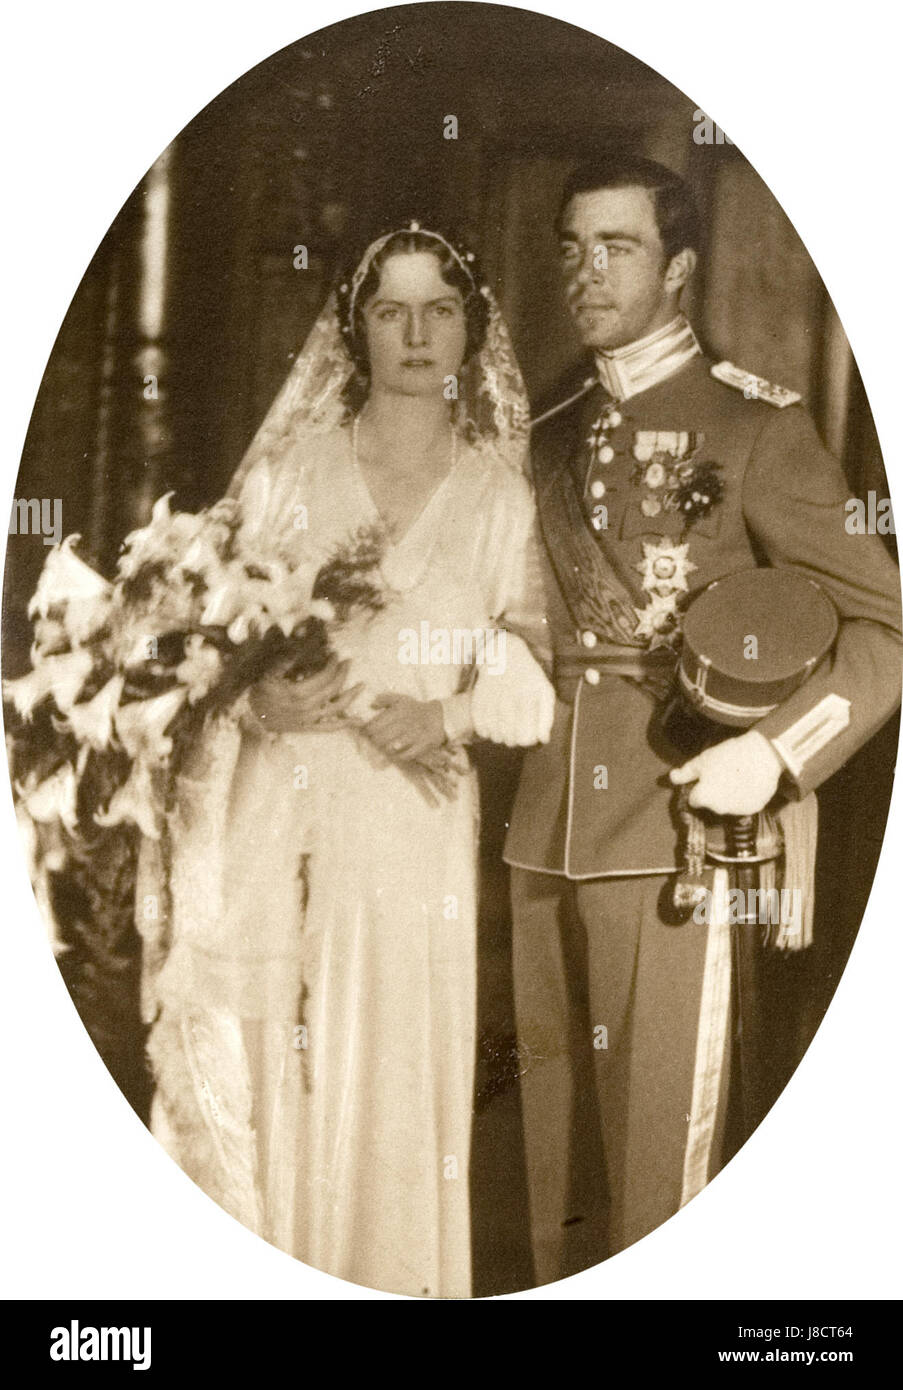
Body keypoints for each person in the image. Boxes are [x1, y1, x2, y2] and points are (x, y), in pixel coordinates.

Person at [504, 155, 902, 1282]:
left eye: (616, 247)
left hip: (675, 824)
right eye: (572, 249)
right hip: (543, 826)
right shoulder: (545, 428)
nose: (586, 272)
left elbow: (886, 625)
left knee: (655, 1170)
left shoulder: (753, 428)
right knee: (553, 1174)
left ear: (677, 268)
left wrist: (773, 755)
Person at [137, 224, 554, 1298]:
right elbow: (195, 647)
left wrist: (448, 714)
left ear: (471, 332)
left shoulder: (501, 497)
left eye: (439, 311)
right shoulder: (289, 475)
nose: (415, 335)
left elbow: (535, 669)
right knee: (271, 1057)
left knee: (393, 1063)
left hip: (413, 823)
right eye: (389, 311)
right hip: (277, 804)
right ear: (355, 329)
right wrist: (255, 700)